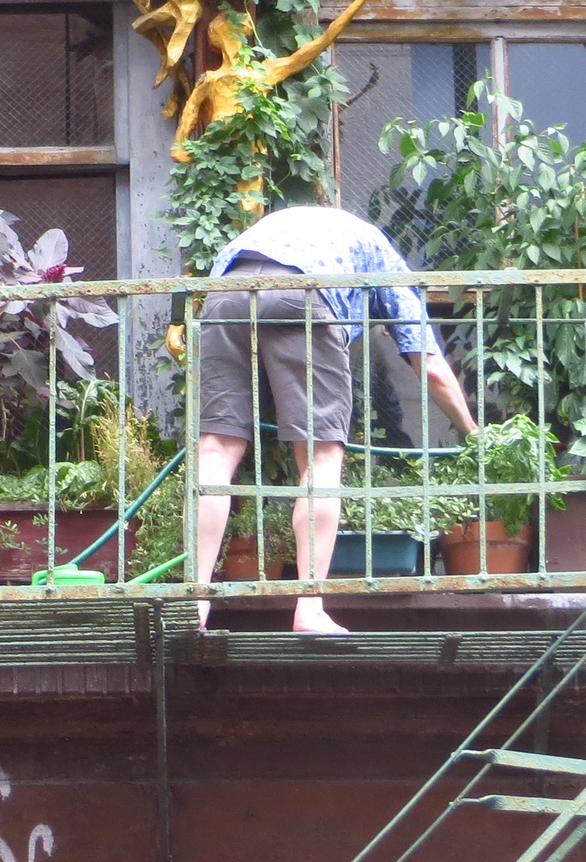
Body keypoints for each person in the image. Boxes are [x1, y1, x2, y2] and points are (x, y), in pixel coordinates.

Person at [186, 205, 475, 634]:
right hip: (304, 291)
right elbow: (428, 363)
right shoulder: (382, 254)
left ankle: (193, 607)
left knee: (217, 447)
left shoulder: (292, 225)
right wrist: (472, 432)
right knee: (320, 460)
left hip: (226, 289)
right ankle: (309, 608)